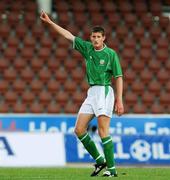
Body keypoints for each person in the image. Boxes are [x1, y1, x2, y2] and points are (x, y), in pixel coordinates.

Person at [40, 11, 124, 177]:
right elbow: (68, 35)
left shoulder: (110, 54)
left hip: (104, 91)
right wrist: (50, 23)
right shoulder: (87, 48)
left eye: (98, 37)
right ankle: (100, 161)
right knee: (79, 129)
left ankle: (112, 170)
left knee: (103, 131)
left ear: (103, 38)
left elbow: (119, 77)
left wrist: (119, 100)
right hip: (91, 93)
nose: (95, 39)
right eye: (93, 37)